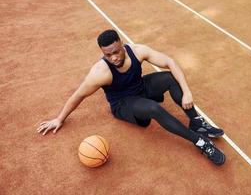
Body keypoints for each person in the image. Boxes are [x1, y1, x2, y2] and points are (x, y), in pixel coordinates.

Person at [37, 29, 226, 166]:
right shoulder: (101, 72)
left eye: (116, 52)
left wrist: (187, 91)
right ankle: (199, 141)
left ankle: (196, 121)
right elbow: (78, 95)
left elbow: (169, 61)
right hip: (123, 103)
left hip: (140, 88)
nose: (114, 58)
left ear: (121, 44)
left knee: (170, 78)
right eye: (108, 55)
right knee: (153, 108)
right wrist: (59, 118)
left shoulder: (137, 51)